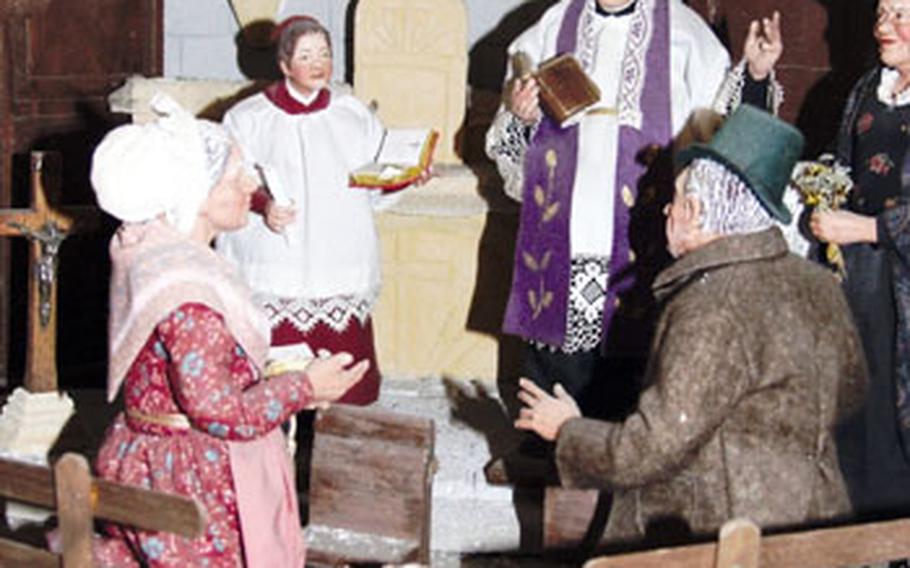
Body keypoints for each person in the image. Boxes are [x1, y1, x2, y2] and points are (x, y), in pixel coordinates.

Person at [516, 105, 867, 543]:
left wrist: (567, 429)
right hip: (816, 515)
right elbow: (852, 394)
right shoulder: (818, 283)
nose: (667, 209)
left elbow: (648, 451)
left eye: (677, 199)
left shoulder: (711, 305)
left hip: (719, 530)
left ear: (697, 211)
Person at [85, 94, 368, 567]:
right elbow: (219, 411)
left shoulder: (153, 248)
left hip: (150, 456)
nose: (251, 183)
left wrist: (275, 376)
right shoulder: (187, 291)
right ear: (196, 194)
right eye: (236, 175)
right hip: (188, 482)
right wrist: (303, 385)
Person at [485, 0, 786, 421]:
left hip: (644, 228)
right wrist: (520, 116)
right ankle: (549, 462)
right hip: (563, 224)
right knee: (557, 361)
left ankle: (622, 467)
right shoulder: (553, 24)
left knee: (631, 371)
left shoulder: (683, 30)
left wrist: (754, 75)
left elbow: (722, 131)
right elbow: (512, 135)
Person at [216, 15, 400, 406]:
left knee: (347, 369)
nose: (318, 64)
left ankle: (341, 442)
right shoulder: (248, 118)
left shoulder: (352, 113)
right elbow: (228, 179)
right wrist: (264, 206)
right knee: (277, 372)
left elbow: (374, 176)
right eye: (306, 55)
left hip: (337, 254)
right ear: (284, 65)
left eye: (325, 54)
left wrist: (405, 174)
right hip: (274, 255)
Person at [809, 0, 910, 519]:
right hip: (859, 284)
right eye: (880, 14)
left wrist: (870, 228)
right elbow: (842, 163)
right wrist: (820, 191)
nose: (882, 28)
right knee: (854, 415)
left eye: (900, 15)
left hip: (903, 294)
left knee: (894, 432)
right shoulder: (869, 88)